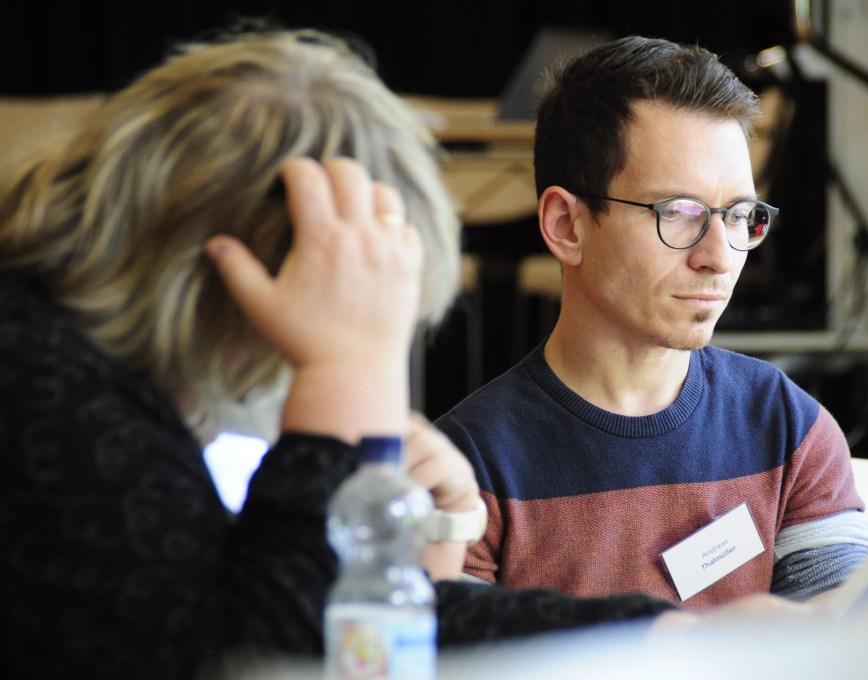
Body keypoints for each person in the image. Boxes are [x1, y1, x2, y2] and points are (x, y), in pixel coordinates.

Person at [0, 24, 820, 680]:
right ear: (241, 270)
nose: (718, 256)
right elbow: (272, 653)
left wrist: (662, 640)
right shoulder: (40, 398)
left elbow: (272, 604)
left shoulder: (80, 375)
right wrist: (343, 373)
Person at [434, 35, 868, 610]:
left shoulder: (788, 429)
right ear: (566, 225)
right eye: (680, 213)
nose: (719, 257)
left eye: (739, 215)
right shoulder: (466, 469)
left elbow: (848, 639)